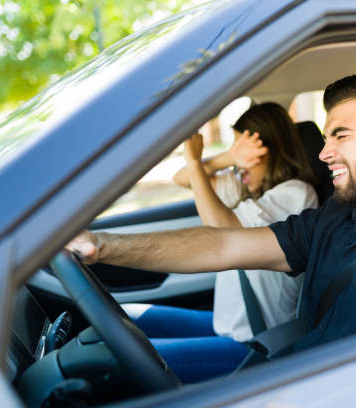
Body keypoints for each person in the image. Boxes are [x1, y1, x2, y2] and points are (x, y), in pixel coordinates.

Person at [69, 71, 356, 378]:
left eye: (341, 135)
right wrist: (102, 246)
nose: (323, 152)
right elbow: (222, 247)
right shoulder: (333, 219)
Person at [121, 102, 319, 383]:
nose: (239, 166)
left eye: (244, 152)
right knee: (127, 316)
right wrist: (228, 158)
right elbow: (182, 179)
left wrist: (194, 160)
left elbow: (221, 236)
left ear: (269, 150)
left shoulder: (297, 194)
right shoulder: (243, 183)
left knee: (123, 360)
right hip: (225, 325)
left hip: (255, 343)